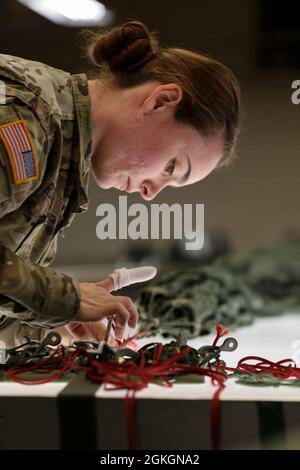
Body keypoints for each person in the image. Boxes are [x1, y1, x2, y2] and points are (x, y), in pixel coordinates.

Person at [0, 20, 240, 348]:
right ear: (160, 101)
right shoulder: (27, 116)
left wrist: (52, 329)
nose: (150, 192)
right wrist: (62, 298)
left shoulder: (61, 159)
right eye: (171, 167)